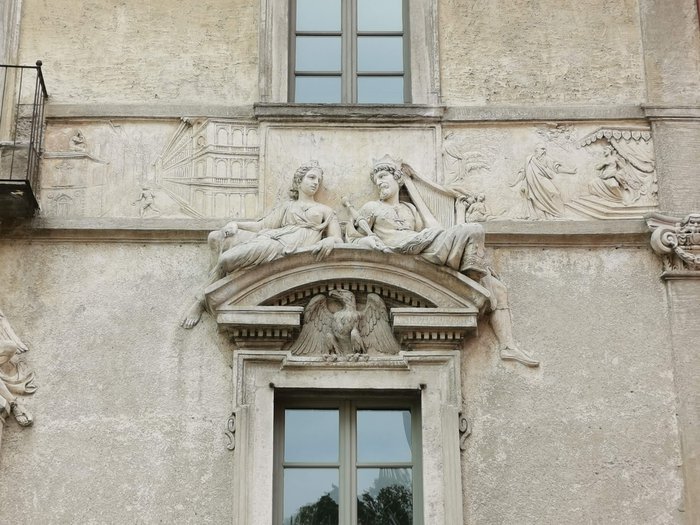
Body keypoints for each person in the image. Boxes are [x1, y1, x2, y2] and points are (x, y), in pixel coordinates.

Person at [350, 157, 539, 367]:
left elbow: (435, 230)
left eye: (383, 176)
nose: (379, 182)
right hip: (401, 248)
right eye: (376, 179)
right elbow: (352, 237)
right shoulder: (371, 207)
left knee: (497, 286)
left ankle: (507, 346)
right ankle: (471, 279)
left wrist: (456, 209)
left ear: (397, 179)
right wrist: (368, 241)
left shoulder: (409, 209)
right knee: (474, 234)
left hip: (421, 246)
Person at [181, 161, 343, 329]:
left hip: (285, 249)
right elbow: (262, 225)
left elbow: (338, 239)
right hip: (274, 240)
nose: (316, 182)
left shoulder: (325, 210)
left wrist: (330, 240)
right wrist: (236, 223)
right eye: (311, 177)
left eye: (318, 180)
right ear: (299, 181)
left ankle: (201, 300)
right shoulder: (287, 207)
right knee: (216, 239)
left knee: (225, 260)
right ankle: (206, 296)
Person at [510, 145, 576, 220]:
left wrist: (570, 171)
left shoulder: (546, 159)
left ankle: (558, 213)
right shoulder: (529, 160)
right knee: (536, 198)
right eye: (536, 150)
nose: (536, 151)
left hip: (543, 180)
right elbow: (523, 172)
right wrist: (515, 182)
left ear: (543, 151)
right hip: (533, 184)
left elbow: (556, 168)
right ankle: (541, 213)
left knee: (555, 193)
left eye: (538, 149)